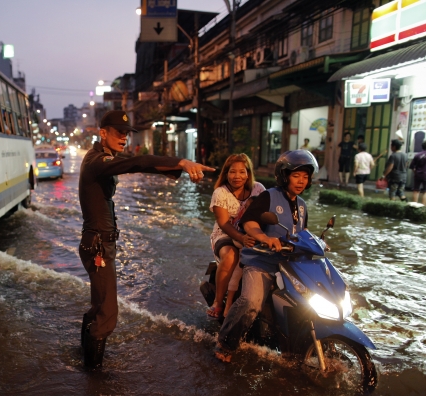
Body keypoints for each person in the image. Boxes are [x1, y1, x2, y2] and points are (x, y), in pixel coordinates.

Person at [79, 110, 214, 370]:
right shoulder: (97, 161)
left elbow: (138, 163)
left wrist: (179, 166)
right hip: (98, 245)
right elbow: (136, 164)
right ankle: (93, 376)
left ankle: (85, 360)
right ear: (103, 132)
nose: (123, 138)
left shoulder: (101, 157)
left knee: (99, 305)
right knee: (107, 314)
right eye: (118, 133)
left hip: (99, 242)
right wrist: (181, 163)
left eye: (126, 134)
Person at [214, 150, 317, 363]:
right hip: (261, 260)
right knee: (252, 301)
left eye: (305, 177)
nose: (300, 181)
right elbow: (249, 222)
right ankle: (225, 342)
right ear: (284, 175)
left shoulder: (302, 205)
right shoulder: (269, 196)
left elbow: (302, 234)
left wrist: (318, 243)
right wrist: (263, 236)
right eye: (296, 175)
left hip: (289, 265)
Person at [206, 154, 265, 319]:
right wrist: (242, 238)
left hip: (253, 233)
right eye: (232, 172)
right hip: (224, 235)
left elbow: (269, 213)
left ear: (248, 174)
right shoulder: (220, 193)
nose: (237, 176)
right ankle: (218, 302)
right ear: (226, 173)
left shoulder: (258, 189)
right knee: (232, 256)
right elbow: (224, 223)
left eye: (241, 172)